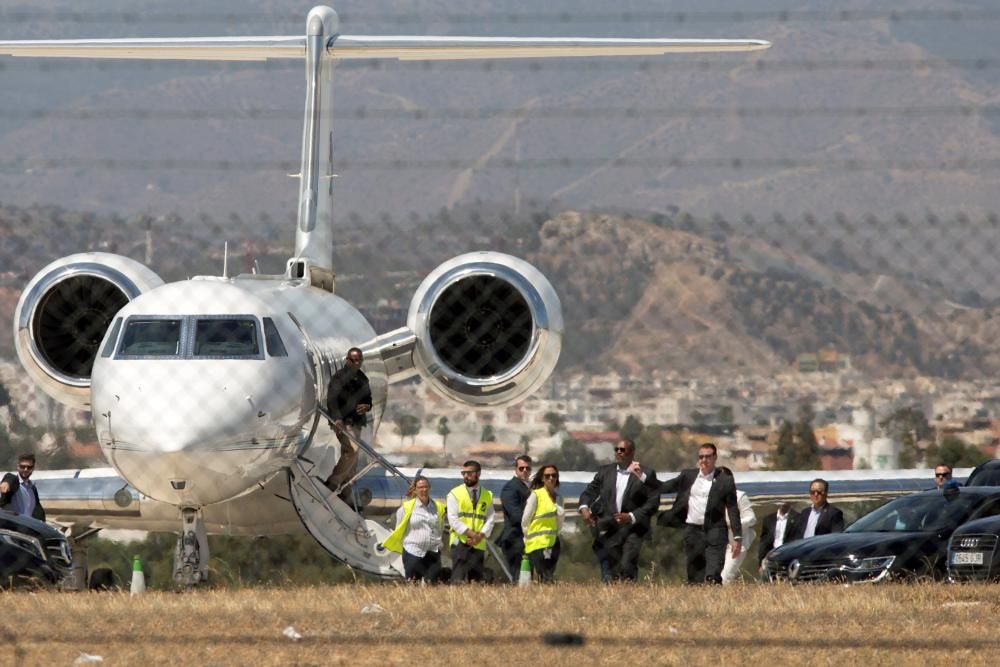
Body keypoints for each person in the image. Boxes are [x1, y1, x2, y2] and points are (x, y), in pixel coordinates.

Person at [658, 443, 742, 585]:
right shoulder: (688, 476)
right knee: (694, 577)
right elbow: (665, 487)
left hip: (715, 532)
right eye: (701, 456)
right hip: (693, 532)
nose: (704, 460)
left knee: (713, 575)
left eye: (708, 456)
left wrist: (737, 537)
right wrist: (643, 478)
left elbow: (733, 508)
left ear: (715, 457)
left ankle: (714, 604)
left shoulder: (725, 480)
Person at [578, 439, 659, 581]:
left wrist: (631, 516)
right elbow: (590, 491)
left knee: (627, 564)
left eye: (623, 450)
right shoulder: (605, 472)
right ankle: (616, 596)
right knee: (613, 567)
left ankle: (630, 592)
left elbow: (653, 502)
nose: (619, 452)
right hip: (610, 527)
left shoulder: (645, 473)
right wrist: (584, 507)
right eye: (617, 449)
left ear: (632, 452)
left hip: (634, 528)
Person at [323, 347, 372, 504]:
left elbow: (368, 398)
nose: (357, 363)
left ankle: (346, 489)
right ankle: (333, 482)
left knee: (353, 458)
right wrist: (337, 418)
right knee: (352, 450)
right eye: (354, 360)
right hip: (343, 422)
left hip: (356, 421)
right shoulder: (339, 378)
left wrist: (367, 406)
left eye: (359, 360)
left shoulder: (363, 378)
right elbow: (332, 399)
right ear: (347, 360)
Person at [380, 476, 447, 582]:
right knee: (413, 584)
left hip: (432, 551)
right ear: (415, 489)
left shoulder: (438, 507)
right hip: (413, 551)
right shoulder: (406, 508)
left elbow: (440, 527)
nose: (423, 490)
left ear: (429, 488)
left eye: (425, 487)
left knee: (433, 585)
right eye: (420, 487)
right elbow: (400, 528)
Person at [446, 460, 495, 583]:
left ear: (478, 474)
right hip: (460, 542)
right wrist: (472, 535)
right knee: (458, 580)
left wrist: (480, 536)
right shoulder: (455, 494)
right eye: (464, 473)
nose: (466, 476)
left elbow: (490, 518)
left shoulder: (487, 494)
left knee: (476, 582)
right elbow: (453, 520)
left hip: (478, 543)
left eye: (469, 473)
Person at [521, 464, 564, 582]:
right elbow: (525, 520)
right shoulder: (536, 495)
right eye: (547, 476)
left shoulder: (559, 498)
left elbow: (559, 521)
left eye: (554, 475)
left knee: (549, 575)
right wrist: (527, 538)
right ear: (542, 478)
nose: (551, 478)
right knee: (544, 576)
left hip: (553, 543)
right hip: (537, 544)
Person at [717, 467, 755, 585]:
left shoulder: (740, 496)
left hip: (737, 543)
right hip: (717, 543)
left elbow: (752, 518)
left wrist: (733, 525)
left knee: (725, 578)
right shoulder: (712, 498)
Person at [497, 455, 533, 579]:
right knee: (517, 577)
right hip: (514, 539)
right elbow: (516, 516)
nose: (525, 471)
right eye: (521, 468)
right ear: (515, 469)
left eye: (527, 468)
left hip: (530, 539)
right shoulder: (510, 488)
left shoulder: (533, 487)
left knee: (529, 577)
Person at [0, 452, 46, 521]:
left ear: (33, 468)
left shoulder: (32, 488)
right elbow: (10, 478)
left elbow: (38, 510)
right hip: (12, 529)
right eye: (22, 466)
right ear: (18, 466)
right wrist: (6, 483)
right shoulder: (14, 482)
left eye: (29, 467)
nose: (25, 469)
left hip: (27, 529)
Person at [757, 502, 798, 568]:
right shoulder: (768, 519)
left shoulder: (798, 518)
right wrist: (760, 562)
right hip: (771, 556)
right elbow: (763, 542)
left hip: (789, 557)